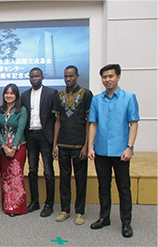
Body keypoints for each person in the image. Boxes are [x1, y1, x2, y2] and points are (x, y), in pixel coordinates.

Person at [88, 64, 139, 238]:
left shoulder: (129, 98)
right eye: (104, 77)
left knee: (124, 188)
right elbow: (93, 124)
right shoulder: (96, 99)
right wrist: (90, 147)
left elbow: (133, 124)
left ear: (118, 76)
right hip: (101, 150)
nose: (107, 80)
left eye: (110, 76)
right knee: (104, 187)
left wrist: (129, 147)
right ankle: (104, 218)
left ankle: (126, 223)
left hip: (121, 151)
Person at [52, 66, 93, 225]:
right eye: (66, 76)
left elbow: (90, 121)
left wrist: (86, 145)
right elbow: (58, 121)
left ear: (77, 76)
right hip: (63, 144)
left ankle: (80, 212)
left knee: (81, 180)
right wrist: (54, 145)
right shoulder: (59, 96)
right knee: (64, 178)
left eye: (71, 76)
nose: (68, 79)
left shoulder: (86, 94)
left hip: (79, 145)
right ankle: (65, 210)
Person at [20, 67, 58, 217]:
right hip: (31, 136)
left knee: (48, 171)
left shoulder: (51, 93)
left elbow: (56, 119)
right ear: (29, 78)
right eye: (32, 76)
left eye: (37, 76)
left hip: (45, 136)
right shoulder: (24, 95)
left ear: (42, 77)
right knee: (32, 170)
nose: (34, 78)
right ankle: (35, 202)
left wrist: (56, 143)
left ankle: (49, 204)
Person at [0, 83, 28, 217]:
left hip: (18, 146)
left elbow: (20, 129)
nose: (9, 95)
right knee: (5, 176)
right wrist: (4, 146)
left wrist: (13, 148)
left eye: (12, 93)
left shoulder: (22, 110)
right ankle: (7, 205)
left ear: (16, 95)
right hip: (3, 148)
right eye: (7, 93)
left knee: (16, 176)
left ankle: (17, 207)